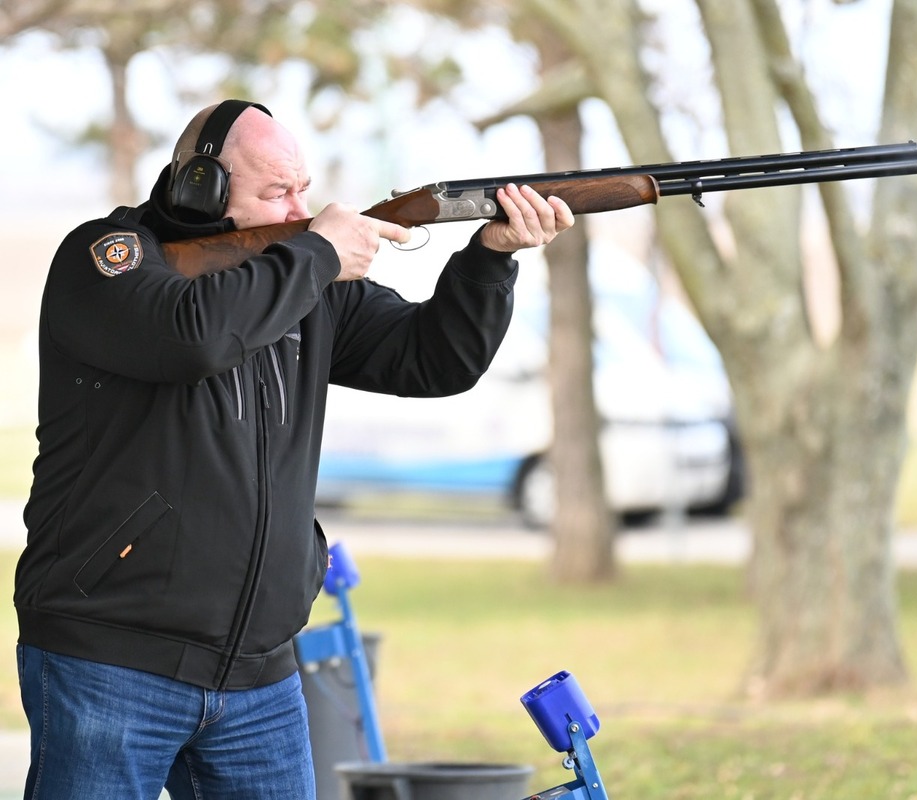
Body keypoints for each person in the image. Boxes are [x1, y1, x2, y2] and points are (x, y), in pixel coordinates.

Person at [13, 99, 573, 800]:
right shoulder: (106, 258)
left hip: (262, 674)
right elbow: (195, 337)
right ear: (200, 189)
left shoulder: (304, 278)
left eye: (302, 188)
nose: (301, 208)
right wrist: (316, 254)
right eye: (277, 192)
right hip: (112, 660)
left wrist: (490, 258)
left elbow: (435, 360)